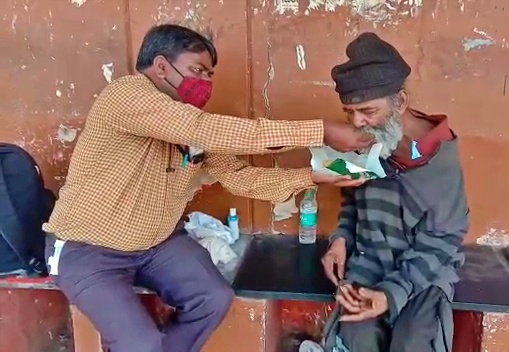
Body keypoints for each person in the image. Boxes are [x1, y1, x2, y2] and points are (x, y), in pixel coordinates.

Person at [42, 24, 371, 352]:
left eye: (210, 75)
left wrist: (311, 177)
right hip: (87, 250)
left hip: (156, 245)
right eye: (197, 71)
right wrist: (320, 132)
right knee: (139, 344)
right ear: (161, 66)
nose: (206, 83)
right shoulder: (127, 94)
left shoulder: (193, 127)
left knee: (213, 298)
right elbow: (203, 128)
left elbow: (241, 178)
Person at [320, 32, 470, 352]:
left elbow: (442, 240)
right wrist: (341, 240)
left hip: (424, 272)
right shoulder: (363, 143)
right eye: (349, 111)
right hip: (369, 261)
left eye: (368, 111)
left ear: (400, 101)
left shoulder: (438, 155)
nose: (357, 122)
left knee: (412, 342)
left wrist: (390, 294)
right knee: (356, 337)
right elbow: (351, 200)